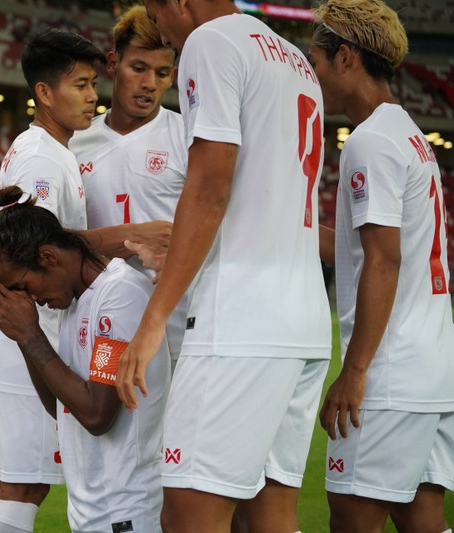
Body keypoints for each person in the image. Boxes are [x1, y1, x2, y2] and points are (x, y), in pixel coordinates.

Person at [117, 1, 332, 531]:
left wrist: (150, 324)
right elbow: (262, 198)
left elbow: (211, 185)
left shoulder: (211, 43)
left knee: (189, 515)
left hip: (239, 321)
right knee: (272, 515)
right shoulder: (294, 59)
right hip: (303, 319)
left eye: (158, 12)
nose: (163, 32)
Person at [0, 28, 170, 533]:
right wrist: (131, 234)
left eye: (91, 84)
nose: (91, 97)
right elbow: (37, 244)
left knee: (1, 480)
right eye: (80, 85)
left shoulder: (44, 147)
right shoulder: (43, 158)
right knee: (25, 484)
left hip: (11, 331)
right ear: (44, 92)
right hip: (26, 328)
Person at [308, 2, 454, 532]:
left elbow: (384, 260)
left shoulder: (369, 141)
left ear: (345, 57)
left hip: (390, 375)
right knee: (423, 519)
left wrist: (355, 370)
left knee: (351, 516)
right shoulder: (408, 135)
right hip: (432, 366)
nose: (314, 74)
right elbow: (362, 249)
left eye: (317, 61)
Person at [0, 186, 170, 532]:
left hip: (126, 510)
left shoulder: (119, 298)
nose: (29, 299)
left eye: (23, 285)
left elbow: (96, 414)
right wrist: (21, 338)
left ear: (48, 257)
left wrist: (30, 335)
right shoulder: (75, 301)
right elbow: (63, 408)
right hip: (91, 510)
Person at [70, 4, 187, 370]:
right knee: (101, 420)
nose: (149, 83)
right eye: (138, 68)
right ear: (112, 63)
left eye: (162, 73)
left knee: (171, 426)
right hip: (99, 321)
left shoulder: (189, 137)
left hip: (174, 329)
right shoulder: (74, 143)